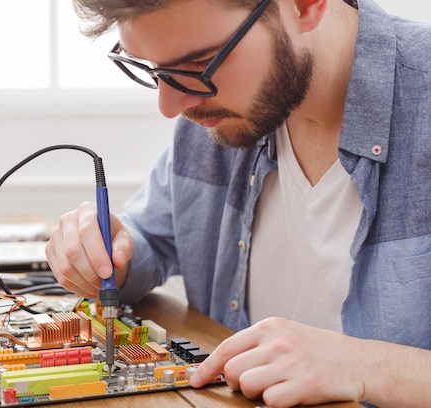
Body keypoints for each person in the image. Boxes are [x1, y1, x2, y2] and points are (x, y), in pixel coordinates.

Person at [45, 0, 431, 406]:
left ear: (303, 6)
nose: (170, 107)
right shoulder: (217, 118)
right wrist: (108, 255)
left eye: (199, 64)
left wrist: (362, 366)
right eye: (156, 71)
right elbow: (150, 239)